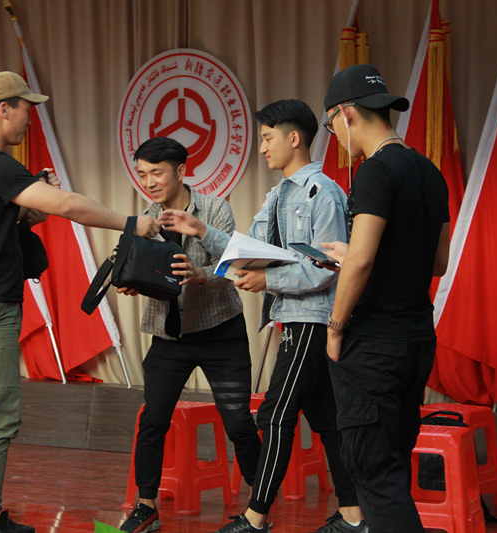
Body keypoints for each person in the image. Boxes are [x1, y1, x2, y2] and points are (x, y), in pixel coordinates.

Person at [0, 71, 159, 533]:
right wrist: (131, 223)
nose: (30, 119)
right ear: (4, 109)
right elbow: (69, 206)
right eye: (27, 109)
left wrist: (26, 210)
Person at [161, 100, 366, 533]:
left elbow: (326, 269)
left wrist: (267, 280)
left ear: (294, 138)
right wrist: (201, 230)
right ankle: (353, 516)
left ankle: (256, 519)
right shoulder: (278, 195)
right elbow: (248, 250)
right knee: (327, 420)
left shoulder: (323, 192)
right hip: (292, 318)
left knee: (274, 416)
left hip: (312, 320)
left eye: (268, 138)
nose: (262, 148)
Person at [319, 64, 450, 533]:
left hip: (374, 344)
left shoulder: (374, 170)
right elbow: (438, 262)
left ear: (346, 113)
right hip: (417, 339)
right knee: (392, 464)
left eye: (330, 124)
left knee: (374, 472)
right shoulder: (430, 171)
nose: (335, 136)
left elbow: (361, 262)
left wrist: (335, 328)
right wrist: (355, 253)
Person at [118, 137, 262, 533]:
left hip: (221, 334)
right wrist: (134, 283)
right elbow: (148, 273)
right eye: (142, 174)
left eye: (157, 173)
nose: (149, 182)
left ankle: (260, 507)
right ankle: (146, 507)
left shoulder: (214, 209)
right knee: (152, 421)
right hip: (169, 337)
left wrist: (200, 275)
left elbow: (234, 266)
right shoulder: (145, 219)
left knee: (238, 423)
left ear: (181, 171)